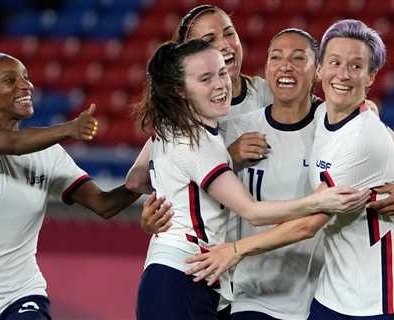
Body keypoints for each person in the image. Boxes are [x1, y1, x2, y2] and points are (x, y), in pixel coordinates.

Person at [183, 26, 394, 320]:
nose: (286, 66)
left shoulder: (345, 123)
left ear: (315, 70)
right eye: (276, 57)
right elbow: (181, 176)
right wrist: (228, 158)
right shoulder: (243, 129)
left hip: (336, 292)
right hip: (260, 296)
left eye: (298, 58)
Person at [134, 39, 370, 320]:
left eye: (222, 73)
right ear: (178, 89)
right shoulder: (194, 141)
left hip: (194, 274)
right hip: (181, 273)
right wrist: (320, 200)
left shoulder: (182, 126)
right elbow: (252, 212)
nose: (220, 84)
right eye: (205, 79)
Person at [0, 52, 146, 319]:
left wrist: (146, 179)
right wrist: (70, 129)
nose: (25, 85)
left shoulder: (48, 155)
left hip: (20, 295)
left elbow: (103, 205)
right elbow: (12, 144)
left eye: (26, 78)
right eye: (10, 80)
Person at [306, 19, 394, 319]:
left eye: (356, 66)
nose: (343, 74)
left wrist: (236, 249)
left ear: (371, 75)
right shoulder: (325, 112)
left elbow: (307, 224)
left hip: (387, 300)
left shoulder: (361, 134)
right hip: (334, 292)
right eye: (335, 62)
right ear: (320, 68)